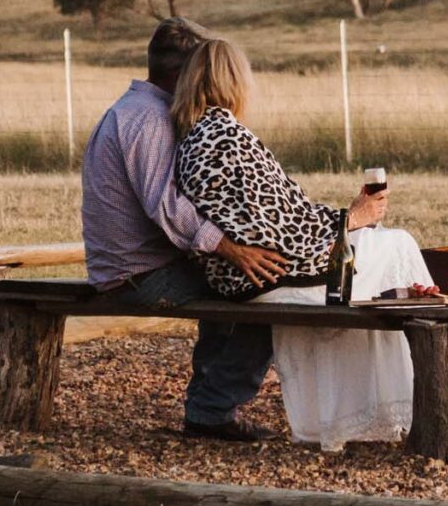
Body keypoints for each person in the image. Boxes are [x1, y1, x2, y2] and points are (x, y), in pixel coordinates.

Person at [169, 37, 426, 451]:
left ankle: (379, 405)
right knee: (397, 244)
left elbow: (273, 219)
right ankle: (409, 400)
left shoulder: (192, 140)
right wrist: (353, 218)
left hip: (233, 277)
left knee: (379, 245)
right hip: (271, 275)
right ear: (234, 81)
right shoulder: (230, 138)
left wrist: (343, 219)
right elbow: (286, 231)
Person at [81, 17, 290, 441]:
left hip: (130, 268)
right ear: (183, 72)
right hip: (138, 275)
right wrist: (233, 249)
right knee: (268, 294)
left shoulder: (132, 109)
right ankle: (212, 409)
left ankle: (208, 407)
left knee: (233, 284)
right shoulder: (151, 120)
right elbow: (168, 206)